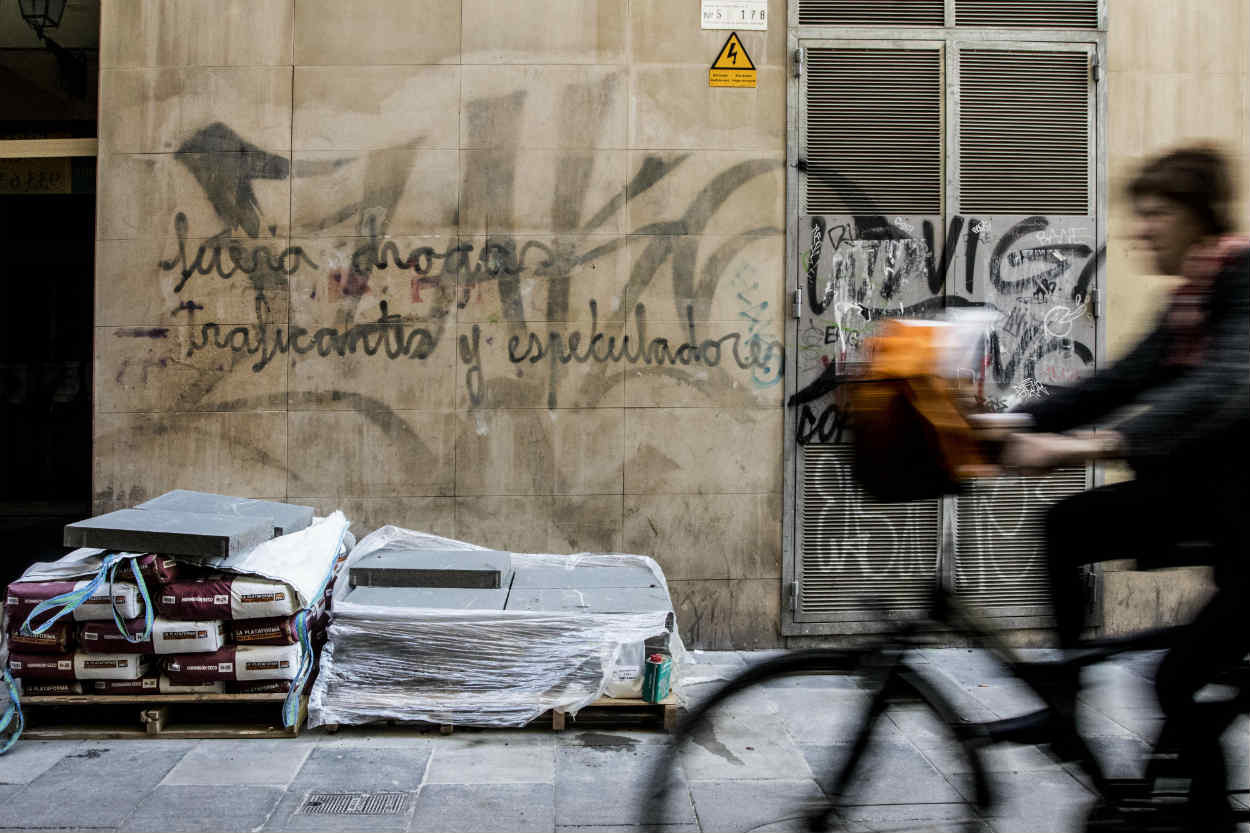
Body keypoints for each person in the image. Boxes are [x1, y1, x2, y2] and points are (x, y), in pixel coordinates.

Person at [997, 145, 1249, 831]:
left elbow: (1223, 389)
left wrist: (1091, 445)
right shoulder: (1191, 301)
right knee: (1066, 525)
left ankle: (1207, 817)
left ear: (1198, 218)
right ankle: (1064, 703)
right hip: (1213, 506)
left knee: (1172, 679)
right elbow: (1115, 383)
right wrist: (1001, 424)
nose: (1141, 230)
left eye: (1155, 213)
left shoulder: (1243, 280)